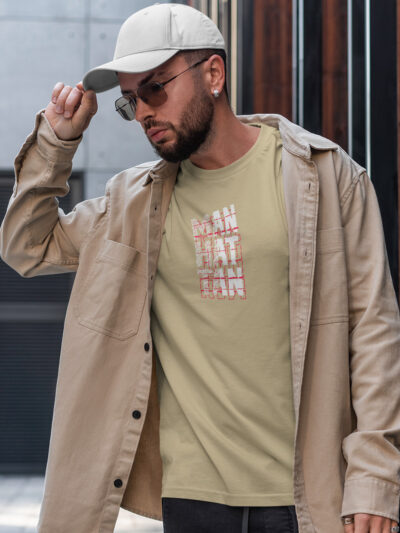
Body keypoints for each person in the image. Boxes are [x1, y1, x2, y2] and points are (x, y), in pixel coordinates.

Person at [1, 3, 400, 533]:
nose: (142, 113)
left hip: (310, 497)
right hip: (191, 500)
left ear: (213, 74)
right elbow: (27, 246)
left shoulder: (327, 178)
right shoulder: (131, 204)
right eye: (130, 100)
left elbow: (373, 331)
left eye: (154, 88)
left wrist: (375, 476)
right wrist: (57, 143)